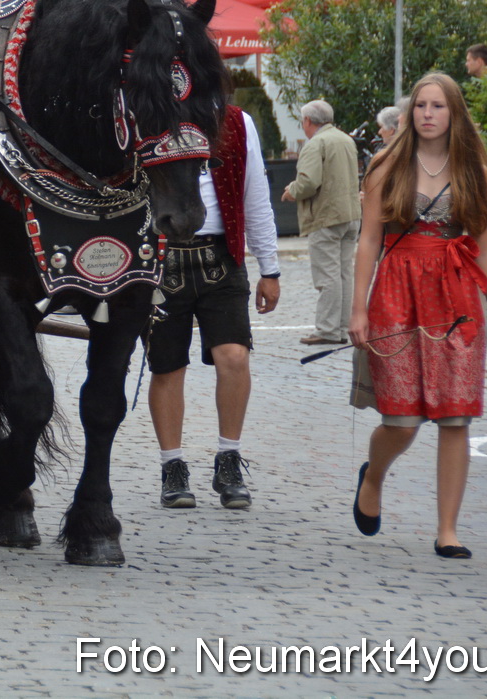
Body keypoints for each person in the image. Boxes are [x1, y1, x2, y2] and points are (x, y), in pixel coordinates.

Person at [349, 73, 487, 559]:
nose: (428, 114)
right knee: (402, 420)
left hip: (457, 299)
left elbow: (484, 252)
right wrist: (358, 309)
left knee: (455, 418)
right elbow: (369, 242)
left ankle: (447, 530)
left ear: (454, 113)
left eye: (438, 106)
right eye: (421, 105)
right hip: (397, 294)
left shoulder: (472, 172)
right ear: (409, 113)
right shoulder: (387, 166)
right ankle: (373, 476)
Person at [146, 102, 281, 511]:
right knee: (167, 366)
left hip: (221, 256)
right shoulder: (147, 115)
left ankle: (229, 460)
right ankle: (173, 466)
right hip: (162, 257)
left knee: (235, 357)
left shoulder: (237, 122)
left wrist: (269, 266)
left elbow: (255, 193)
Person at [282, 100, 361, 347]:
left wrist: (290, 191)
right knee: (344, 273)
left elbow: (308, 182)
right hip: (350, 215)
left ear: (308, 121)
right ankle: (341, 328)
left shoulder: (316, 143)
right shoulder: (345, 139)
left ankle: (327, 329)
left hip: (326, 216)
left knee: (328, 276)